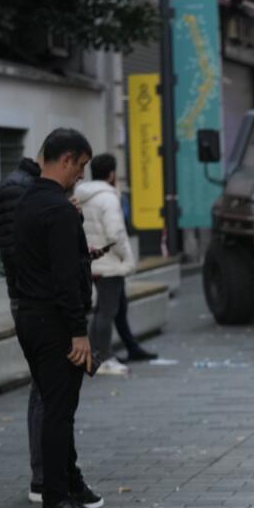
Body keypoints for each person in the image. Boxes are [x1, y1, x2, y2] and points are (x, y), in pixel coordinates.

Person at [12, 128, 104, 508]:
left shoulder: (27, 201)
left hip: (30, 318)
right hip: (55, 323)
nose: (80, 176)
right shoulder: (59, 210)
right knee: (60, 409)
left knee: (56, 404)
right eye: (80, 167)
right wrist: (78, 331)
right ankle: (56, 500)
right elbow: (66, 278)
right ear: (65, 159)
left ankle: (69, 482)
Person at [0, 154, 45, 503]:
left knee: (45, 386)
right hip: (32, 299)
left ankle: (48, 473)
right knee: (44, 386)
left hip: (36, 296)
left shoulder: (29, 188)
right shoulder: (16, 190)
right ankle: (43, 477)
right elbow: (17, 252)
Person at [74, 153, 155, 375]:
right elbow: (116, 233)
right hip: (109, 264)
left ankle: (94, 355)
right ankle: (103, 357)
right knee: (106, 312)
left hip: (92, 261)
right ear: (111, 174)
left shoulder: (83, 196)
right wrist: (127, 258)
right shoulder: (108, 198)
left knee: (103, 310)